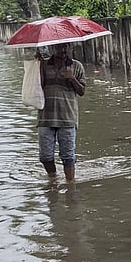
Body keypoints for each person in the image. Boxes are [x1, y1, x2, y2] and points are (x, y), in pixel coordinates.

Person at [37, 43, 86, 181]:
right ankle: (52, 179)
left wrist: (72, 78)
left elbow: (82, 91)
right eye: (59, 47)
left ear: (69, 47)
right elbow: (36, 86)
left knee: (68, 156)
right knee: (45, 156)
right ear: (53, 48)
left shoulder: (76, 66)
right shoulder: (43, 65)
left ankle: (71, 185)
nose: (62, 50)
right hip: (46, 117)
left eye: (65, 47)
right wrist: (37, 66)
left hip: (68, 117)